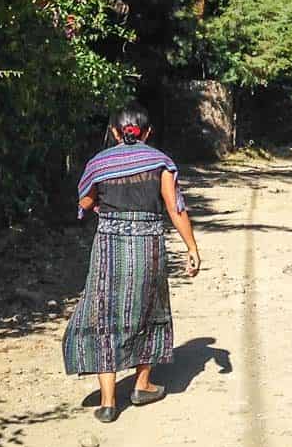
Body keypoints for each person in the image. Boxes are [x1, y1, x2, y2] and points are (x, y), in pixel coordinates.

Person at [62, 103, 201, 423]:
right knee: (148, 308)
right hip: (148, 245)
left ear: (114, 132)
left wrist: (99, 201)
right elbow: (175, 207)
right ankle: (142, 385)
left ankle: (109, 402)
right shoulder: (160, 162)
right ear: (148, 132)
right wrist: (192, 248)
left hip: (108, 246)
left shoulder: (99, 163)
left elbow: (85, 201)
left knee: (103, 314)